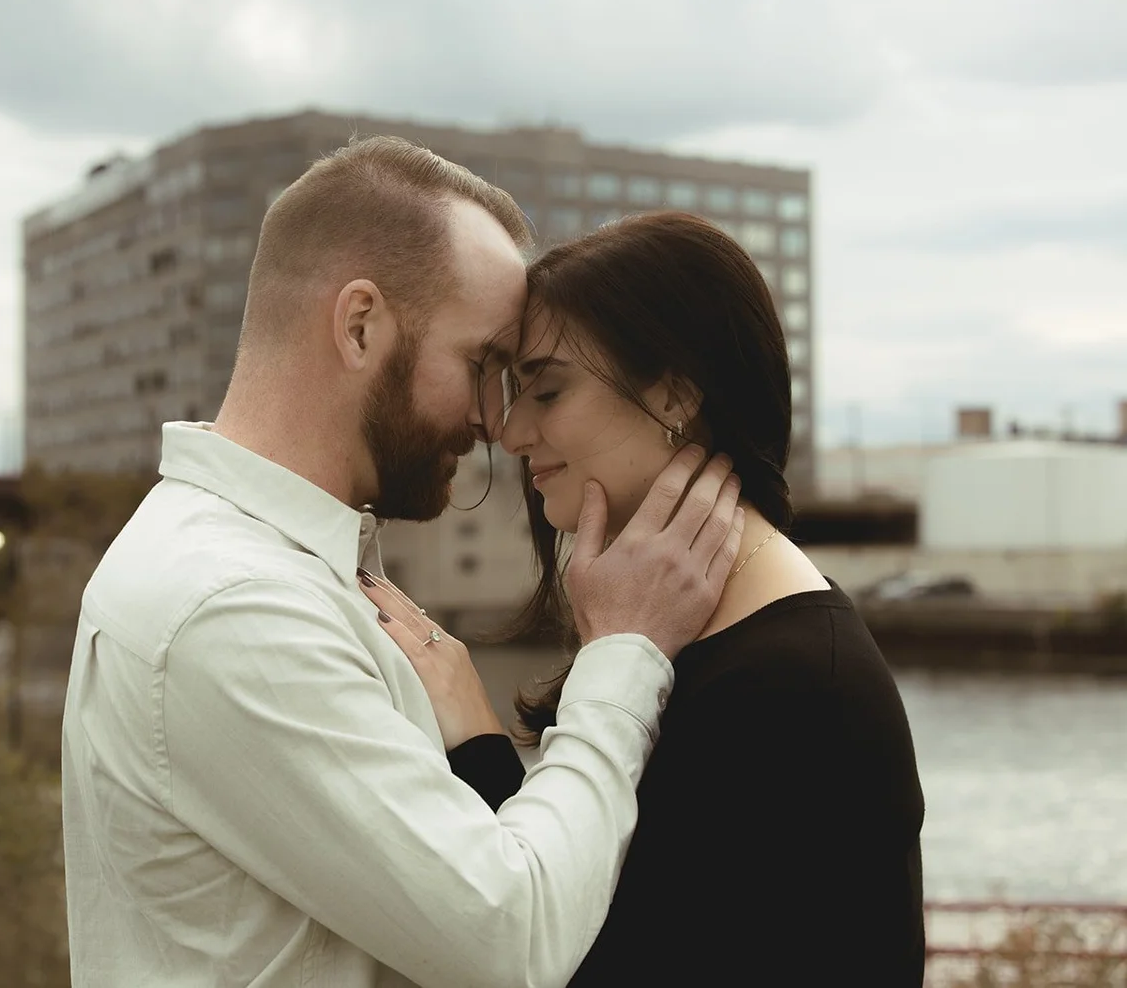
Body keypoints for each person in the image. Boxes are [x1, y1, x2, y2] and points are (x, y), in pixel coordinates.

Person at [59, 139, 748, 988]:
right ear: (359, 327)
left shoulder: (256, 565)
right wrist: (625, 654)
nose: (498, 421)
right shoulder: (233, 605)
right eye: (482, 364)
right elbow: (512, 937)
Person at [373, 211, 927, 986]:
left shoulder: (791, 684)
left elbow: (574, 965)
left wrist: (479, 746)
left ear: (673, 394)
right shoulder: (704, 634)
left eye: (547, 391)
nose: (508, 429)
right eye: (510, 391)